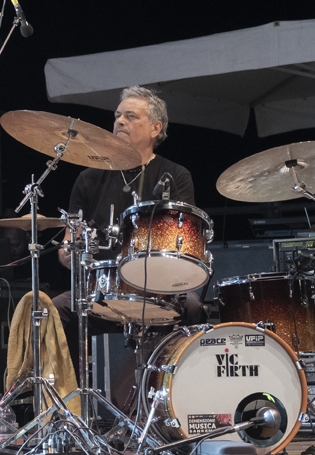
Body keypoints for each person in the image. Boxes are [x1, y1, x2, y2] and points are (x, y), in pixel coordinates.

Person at [52, 86, 206, 367]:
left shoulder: (176, 176)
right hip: (101, 287)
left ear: (155, 128)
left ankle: (173, 392)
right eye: (117, 115)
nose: (119, 121)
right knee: (55, 310)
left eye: (130, 116)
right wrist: (69, 253)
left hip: (162, 286)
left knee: (194, 307)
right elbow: (67, 245)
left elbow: (183, 243)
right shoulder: (89, 178)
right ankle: (69, 398)